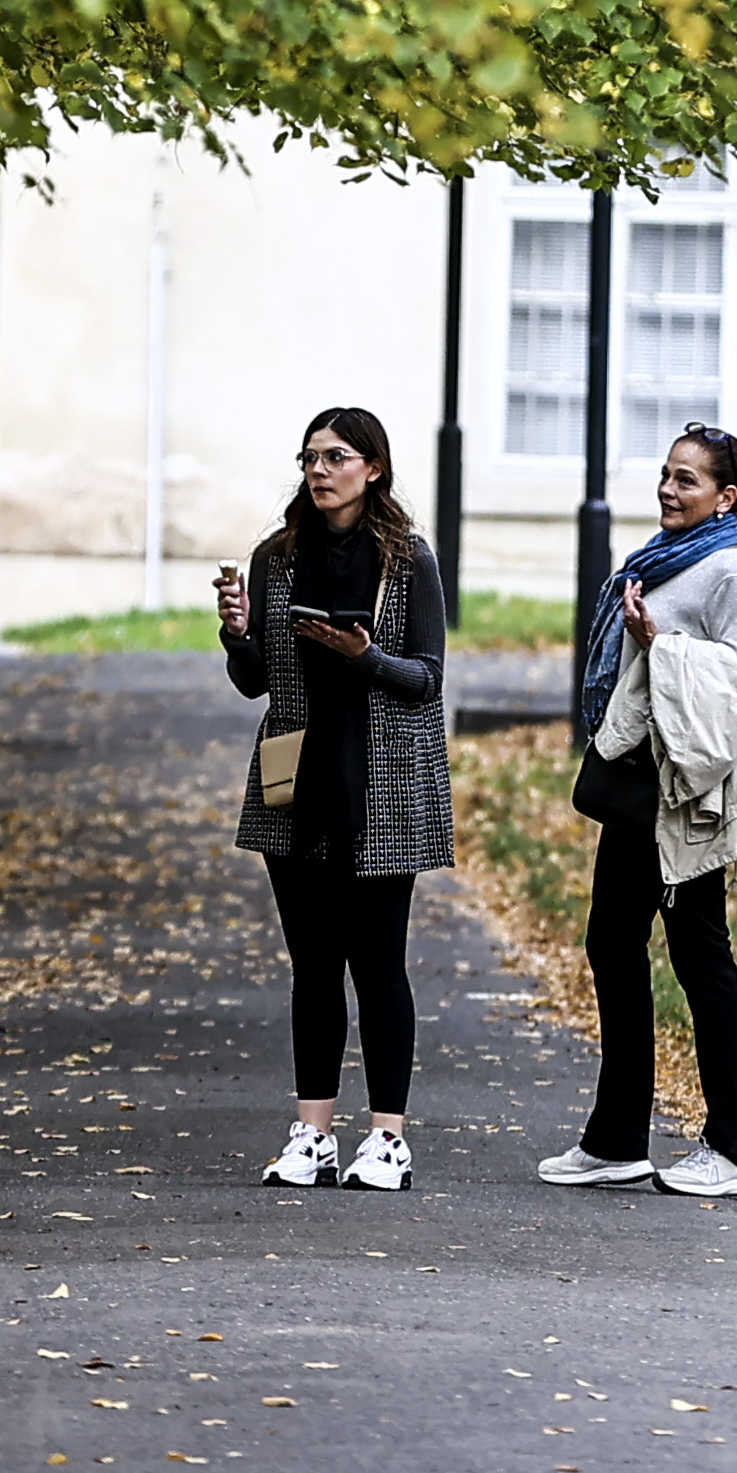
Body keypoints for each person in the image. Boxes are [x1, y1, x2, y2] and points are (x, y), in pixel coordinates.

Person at [541, 426, 737, 1198]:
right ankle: (617, 1141)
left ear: (726, 497)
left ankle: (734, 1149)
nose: (669, 491)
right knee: (612, 943)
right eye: (666, 476)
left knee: (700, 956)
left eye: (686, 480)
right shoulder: (657, 557)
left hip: (685, 795)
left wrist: (661, 642)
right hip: (635, 789)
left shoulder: (729, 572)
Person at [212, 406, 450, 1190]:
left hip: (380, 771)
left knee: (378, 962)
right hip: (292, 770)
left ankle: (387, 1138)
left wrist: (365, 657)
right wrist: (236, 632)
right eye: (310, 457)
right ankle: (312, 1133)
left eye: (336, 457)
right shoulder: (275, 558)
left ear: (372, 468)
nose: (318, 470)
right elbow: (257, 682)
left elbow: (426, 679)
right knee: (312, 964)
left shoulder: (408, 560)